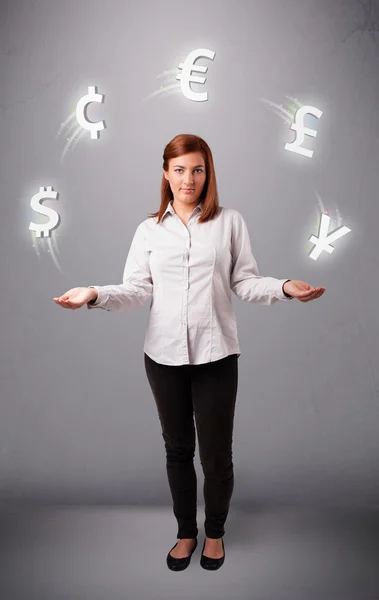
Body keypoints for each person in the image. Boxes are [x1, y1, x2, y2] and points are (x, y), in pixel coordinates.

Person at [54, 133, 325, 572]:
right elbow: (135, 290)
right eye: (179, 170)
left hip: (217, 355)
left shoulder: (229, 222)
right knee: (177, 451)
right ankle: (186, 532)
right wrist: (93, 293)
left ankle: (214, 533)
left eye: (197, 169)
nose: (188, 179)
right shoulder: (149, 229)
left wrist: (284, 287)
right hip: (162, 358)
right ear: (166, 173)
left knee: (217, 455)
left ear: (207, 173)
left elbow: (244, 282)